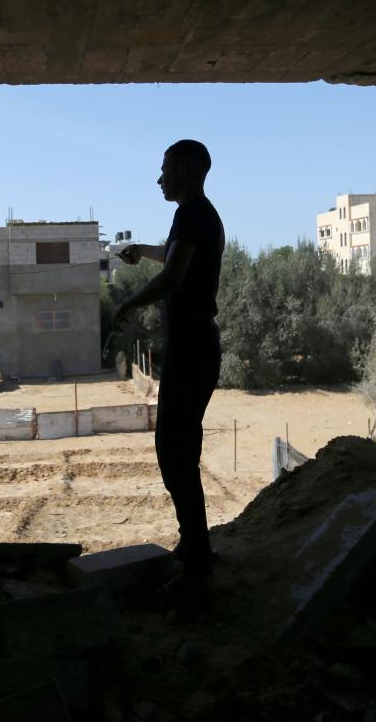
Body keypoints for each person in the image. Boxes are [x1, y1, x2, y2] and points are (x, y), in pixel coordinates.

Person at [112, 139, 224, 589]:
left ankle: (197, 555)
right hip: (194, 347)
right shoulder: (198, 216)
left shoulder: (192, 213)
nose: (159, 179)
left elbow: (174, 276)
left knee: (174, 451)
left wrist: (128, 305)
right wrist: (142, 249)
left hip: (192, 348)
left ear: (185, 170)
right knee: (178, 449)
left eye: (165, 170)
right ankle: (195, 544)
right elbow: (178, 255)